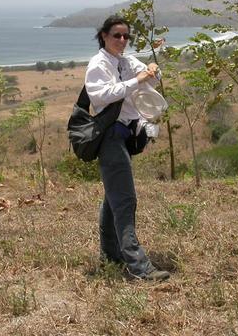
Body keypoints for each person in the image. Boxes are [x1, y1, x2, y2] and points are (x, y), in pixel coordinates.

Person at [85, 15, 170, 281]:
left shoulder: (125, 60)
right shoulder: (98, 64)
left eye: (125, 36)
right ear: (104, 36)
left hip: (124, 136)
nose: (122, 41)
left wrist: (154, 69)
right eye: (116, 36)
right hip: (109, 138)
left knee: (113, 198)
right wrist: (137, 80)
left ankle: (110, 255)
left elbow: (152, 80)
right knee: (125, 200)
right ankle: (138, 266)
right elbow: (102, 95)